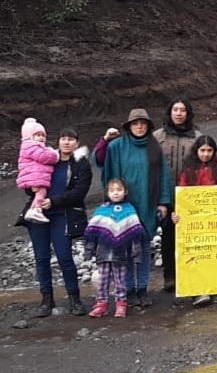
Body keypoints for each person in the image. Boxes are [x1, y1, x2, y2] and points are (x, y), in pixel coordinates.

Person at [94, 108, 173, 307]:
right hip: (123, 206)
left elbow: (164, 176)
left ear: (147, 126)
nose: (139, 126)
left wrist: (163, 202)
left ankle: (142, 288)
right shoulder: (117, 146)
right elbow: (102, 164)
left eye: (143, 123)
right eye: (135, 123)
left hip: (148, 203)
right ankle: (128, 289)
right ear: (129, 126)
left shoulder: (154, 147)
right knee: (125, 250)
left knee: (144, 249)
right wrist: (111, 202)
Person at [24, 126, 92, 317]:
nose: (66, 142)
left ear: (77, 143)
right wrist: (33, 190)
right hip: (38, 215)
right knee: (42, 258)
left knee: (64, 257)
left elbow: (79, 192)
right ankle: (46, 299)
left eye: (71, 139)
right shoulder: (47, 160)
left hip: (63, 215)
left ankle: (74, 299)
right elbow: (29, 180)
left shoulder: (81, 164)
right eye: (63, 138)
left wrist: (53, 201)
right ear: (58, 142)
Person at [171, 131, 217, 305]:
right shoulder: (188, 171)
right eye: (202, 150)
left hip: (214, 222)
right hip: (194, 223)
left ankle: (214, 286)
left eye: (209, 151)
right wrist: (176, 213)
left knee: (214, 252)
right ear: (196, 151)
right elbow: (181, 194)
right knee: (195, 255)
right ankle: (197, 290)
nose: (206, 154)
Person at [154, 97, 203, 292]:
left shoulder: (197, 136)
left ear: (188, 113)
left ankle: (189, 274)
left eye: (183, 110)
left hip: (189, 194)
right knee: (167, 236)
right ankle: (170, 276)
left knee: (190, 236)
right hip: (165, 194)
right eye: (175, 109)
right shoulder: (158, 136)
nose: (179, 113)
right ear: (170, 112)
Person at [83, 178, 147, 318]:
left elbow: (135, 234)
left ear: (125, 192)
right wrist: (89, 250)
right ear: (107, 193)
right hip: (103, 254)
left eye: (119, 190)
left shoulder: (129, 210)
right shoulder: (102, 210)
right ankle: (101, 305)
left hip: (120, 255)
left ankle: (121, 304)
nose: (116, 193)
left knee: (120, 281)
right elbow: (93, 232)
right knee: (102, 280)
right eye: (112, 190)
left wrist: (137, 254)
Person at [17, 118, 60, 224]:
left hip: (34, 175)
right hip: (34, 176)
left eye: (43, 135)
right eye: (37, 135)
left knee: (39, 193)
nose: (41, 138)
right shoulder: (31, 146)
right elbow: (44, 157)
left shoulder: (31, 146)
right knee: (42, 192)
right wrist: (55, 155)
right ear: (29, 137)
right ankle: (36, 209)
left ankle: (34, 210)